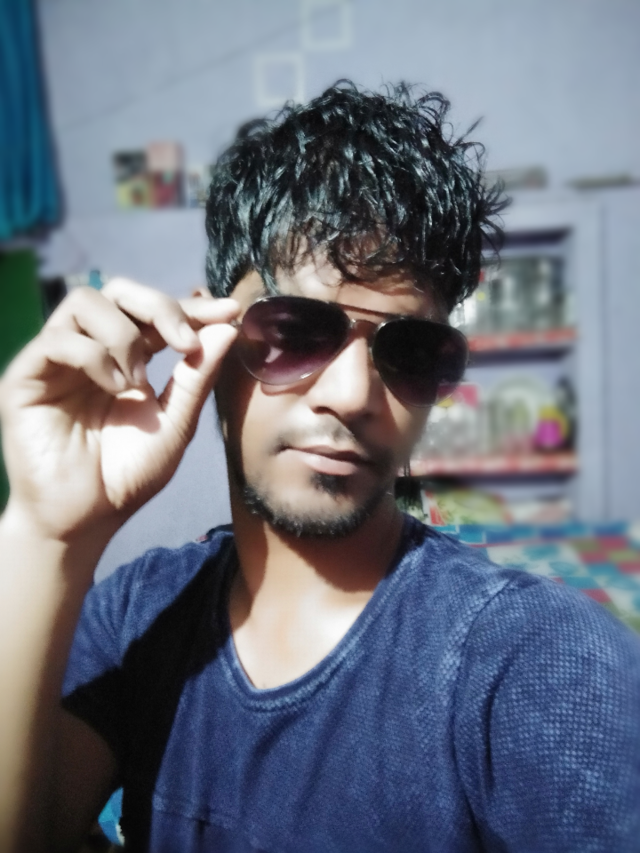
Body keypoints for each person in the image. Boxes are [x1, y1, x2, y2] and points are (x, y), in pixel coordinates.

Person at [0, 81, 639, 853]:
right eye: (296, 329)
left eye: (410, 350)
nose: (353, 394)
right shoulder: (138, 613)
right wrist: (46, 531)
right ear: (206, 336)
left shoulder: (535, 662)